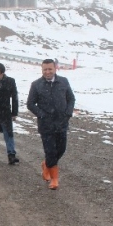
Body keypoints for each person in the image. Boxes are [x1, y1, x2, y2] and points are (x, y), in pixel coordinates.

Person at [26, 58, 75, 190]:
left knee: (61, 149)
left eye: (50, 69)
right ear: (42, 70)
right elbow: (30, 104)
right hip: (46, 125)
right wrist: (41, 114)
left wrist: (68, 113)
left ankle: (46, 164)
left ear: (55, 68)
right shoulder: (36, 85)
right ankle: (54, 179)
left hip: (61, 123)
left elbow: (71, 98)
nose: (47, 72)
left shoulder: (63, 82)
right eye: (45, 69)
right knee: (51, 151)